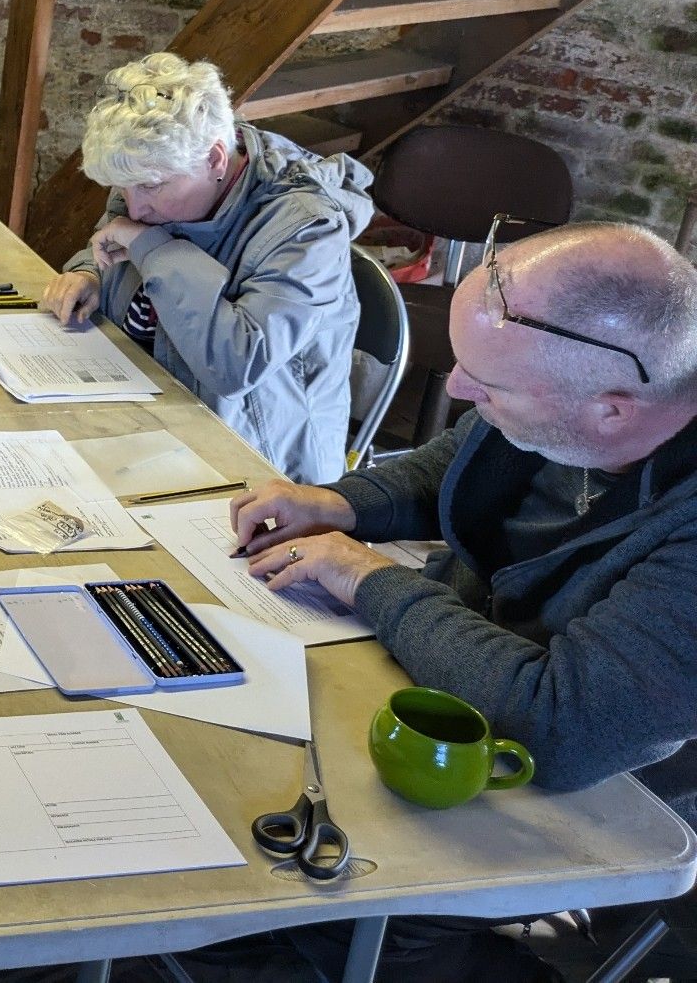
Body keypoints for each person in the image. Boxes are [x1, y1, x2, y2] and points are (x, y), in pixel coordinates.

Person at [183, 221, 697, 982]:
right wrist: (332, 503)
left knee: (360, 905)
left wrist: (367, 578)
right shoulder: (555, 401)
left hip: (575, 788)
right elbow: (446, 469)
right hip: (439, 692)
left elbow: (558, 727)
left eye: (487, 384)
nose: (455, 388)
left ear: (613, 411)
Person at [42, 52, 372, 484]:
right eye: (122, 188)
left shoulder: (308, 228)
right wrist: (88, 273)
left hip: (259, 468)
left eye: (151, 186)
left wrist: (153, 249)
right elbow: (112, 243)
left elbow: (236, 363)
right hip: (149, 418)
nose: (134, 205)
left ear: (216, 158)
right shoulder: (157, 170)